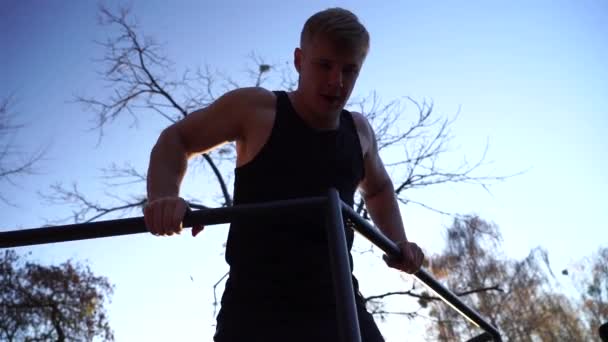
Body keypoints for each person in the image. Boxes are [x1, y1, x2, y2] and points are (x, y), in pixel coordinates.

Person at [144, 7, 425, 342]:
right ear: (299, 61)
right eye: (325, 65)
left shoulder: (359, 131)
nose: (337, 81)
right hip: (256, 310)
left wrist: (397, 242)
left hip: (338, 306)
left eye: (349, 70)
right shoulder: (257, 111)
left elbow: (378, 188)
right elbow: (176, 139)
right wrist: (164, 198)